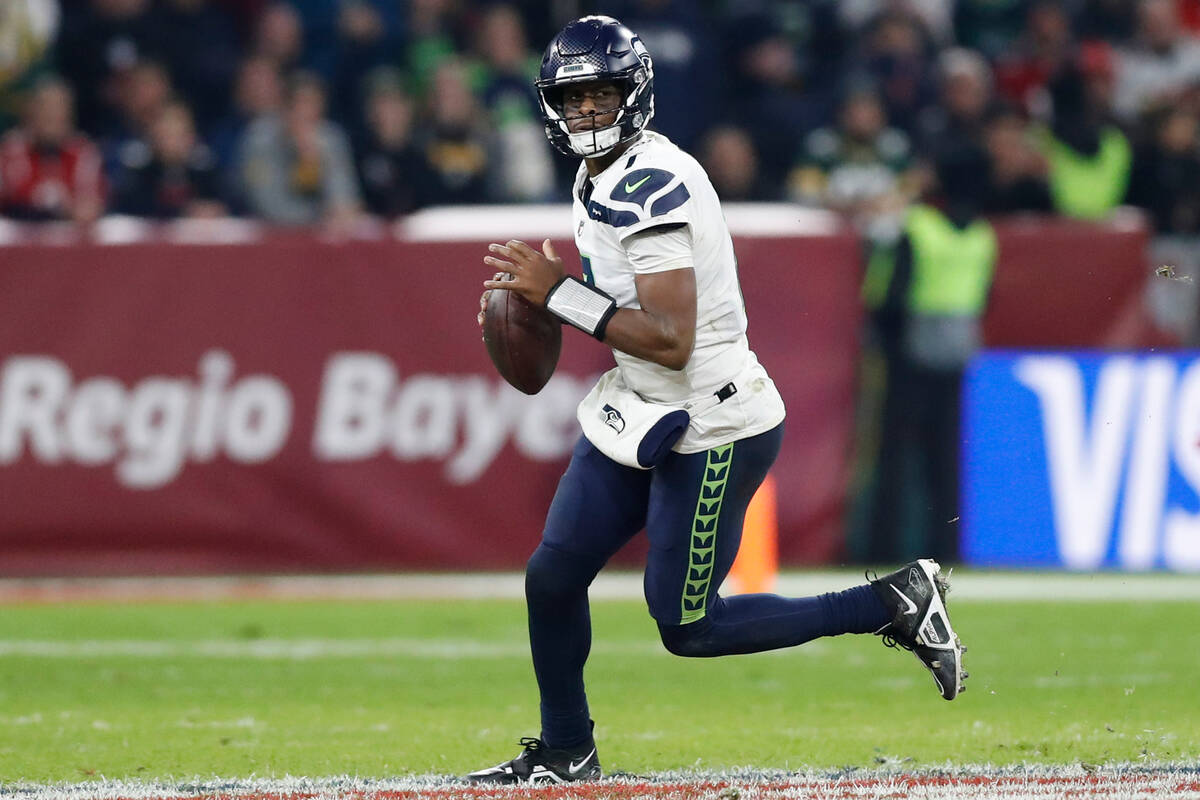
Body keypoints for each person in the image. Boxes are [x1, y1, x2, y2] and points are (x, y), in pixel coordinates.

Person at [467, 16, 968, 785]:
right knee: (553, 576)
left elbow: (669, 336)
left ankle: (892, 602)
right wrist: (536, 308)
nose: (588, 114)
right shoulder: (597, 174)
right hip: (643, 401)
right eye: (574, 100)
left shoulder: (650, 182)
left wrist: (560, 296)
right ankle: (567, 749)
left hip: (713, 419)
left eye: (602, 96)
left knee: (688, 626)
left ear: (633, 96)